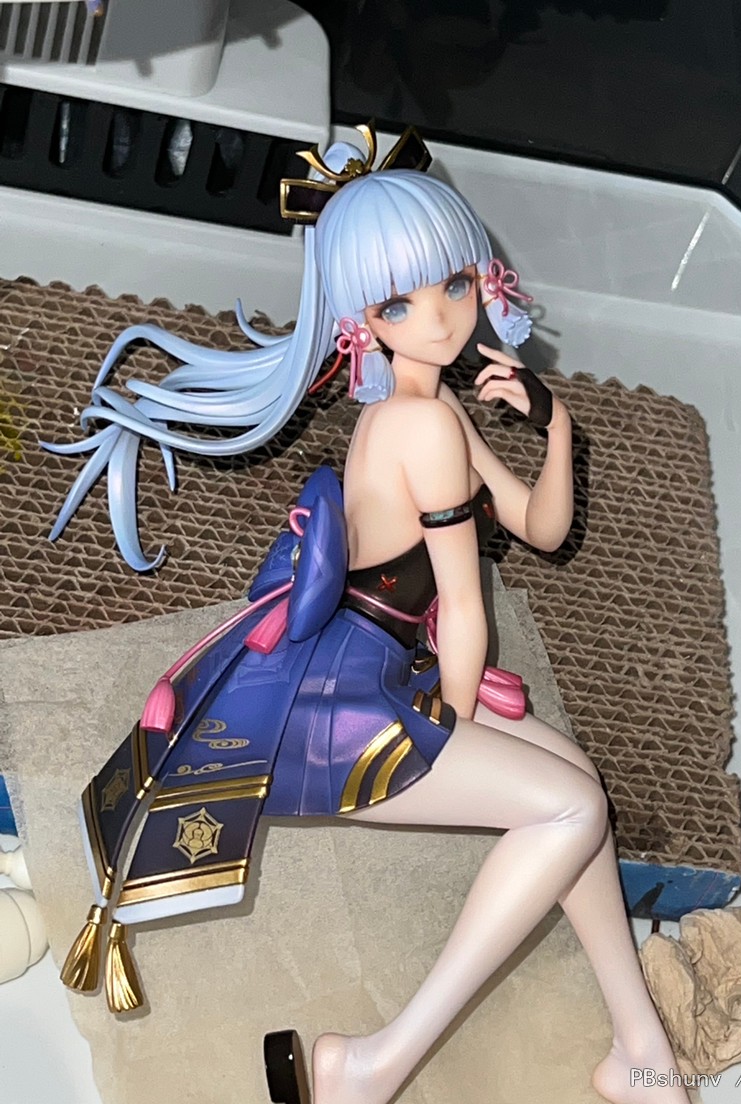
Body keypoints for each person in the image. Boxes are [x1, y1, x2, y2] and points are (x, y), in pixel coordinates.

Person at [50, 125, 691, 1104]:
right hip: (346, 708)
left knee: (576, 787)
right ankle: (370, 1067)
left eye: (454, 286)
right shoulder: (418, 426)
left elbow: (542, 527)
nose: (438, 317)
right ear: (361, 322)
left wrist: (557, 425)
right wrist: (456, 726)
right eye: (400, 302)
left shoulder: (435, 414)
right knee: (568, 806)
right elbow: (464, 605)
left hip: (375, 668)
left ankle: (639, 1053)